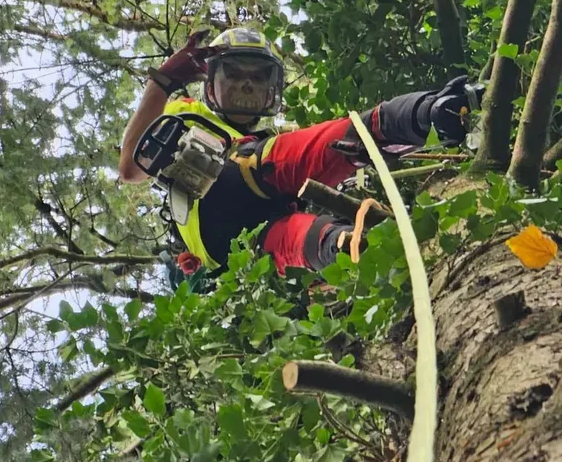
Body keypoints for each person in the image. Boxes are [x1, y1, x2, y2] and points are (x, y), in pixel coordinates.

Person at [118, 28, 479, 287]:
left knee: (300, 235)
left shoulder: (273, 138)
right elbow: (132, 168)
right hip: (218, 217)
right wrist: (163, 82)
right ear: (211, 82)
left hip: (259, 235)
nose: (246, 85)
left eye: (258, 78)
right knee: (272, 159)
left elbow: (312, 152)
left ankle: (354, 244)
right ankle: (415, 117)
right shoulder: (187, 111)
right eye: (235, 74)